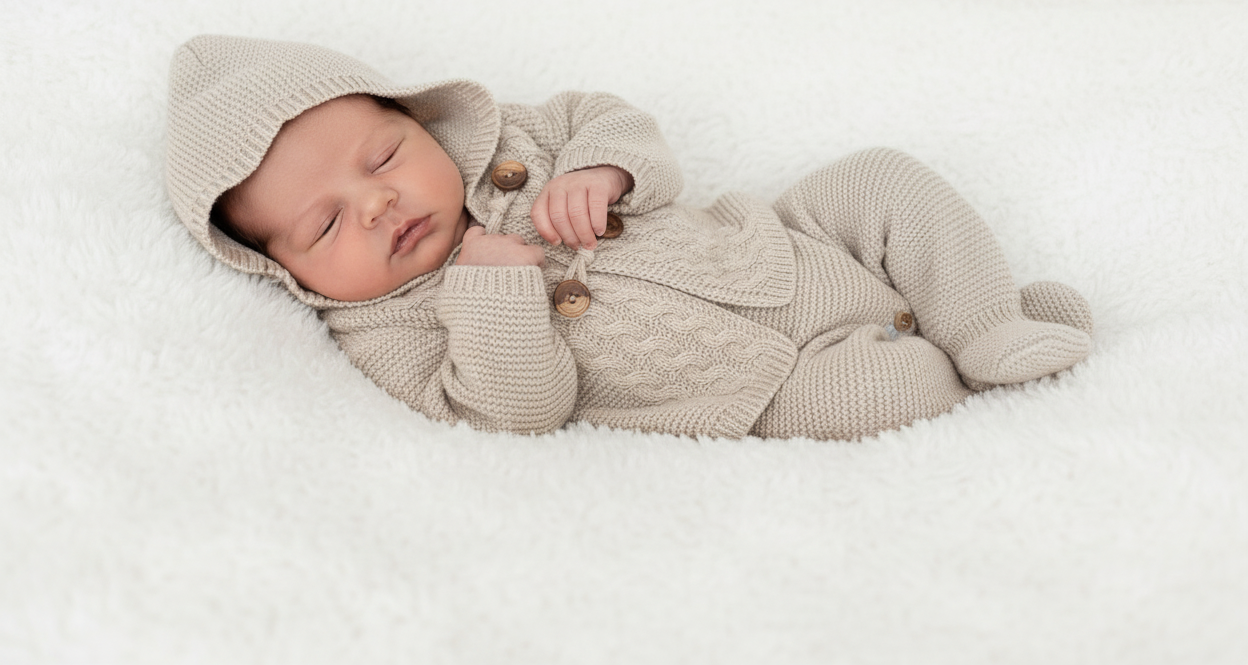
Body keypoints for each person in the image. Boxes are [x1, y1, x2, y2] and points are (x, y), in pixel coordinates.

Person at [165, 35, 1093, 440]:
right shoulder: (381, 333)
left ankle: (984, 323)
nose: (375, 205)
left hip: (780, 240)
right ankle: (942, 356)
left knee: (880, 176)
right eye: (326, 223)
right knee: (882, 392)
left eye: (384, 157)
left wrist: (601, 172)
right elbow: (511, 413)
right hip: (759, 385)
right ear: (283, 270)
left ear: (422, 121)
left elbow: (606, 113)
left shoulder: (517, 144)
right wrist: (493, 293)